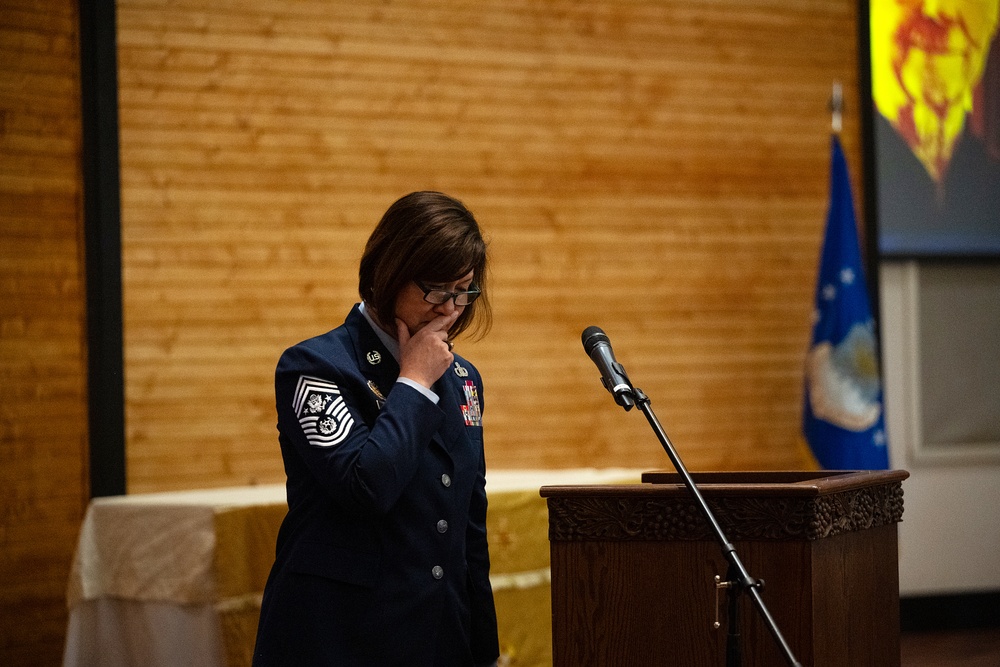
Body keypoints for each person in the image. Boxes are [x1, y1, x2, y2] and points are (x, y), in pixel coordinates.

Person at [252, 191, 500, 666]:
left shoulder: (463, 378)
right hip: (340, 638)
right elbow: (366, 485)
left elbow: (470, 523)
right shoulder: (315, 367)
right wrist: (413, 382)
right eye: (436, 291)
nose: (450, 310)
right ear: (389, 273)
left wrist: (481, 649)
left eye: (464, 290)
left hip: (437, 637)